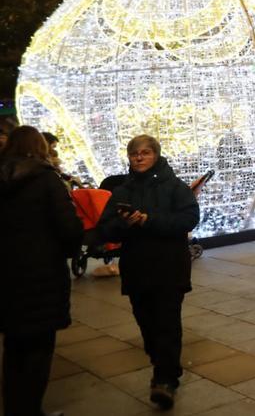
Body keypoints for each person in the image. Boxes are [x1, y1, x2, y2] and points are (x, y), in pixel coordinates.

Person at [98, 135, 200, 410]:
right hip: (137, 268)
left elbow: (189, 218)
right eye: (135, 154)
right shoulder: (122, 190)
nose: (139, 158)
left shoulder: (175, 186)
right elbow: (105, 229)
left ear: (156, 155)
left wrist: (149, 220)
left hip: (169, 267)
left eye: (145, 153)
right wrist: (125, 223)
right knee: (147, 323)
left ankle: (164, 380)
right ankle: (166, 365)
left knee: (167, 322)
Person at [1, 126, 83, 416]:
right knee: (38, 349)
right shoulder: (47, 179)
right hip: (42, 276)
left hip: (6, 278)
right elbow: (69, 228)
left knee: (13, 348)